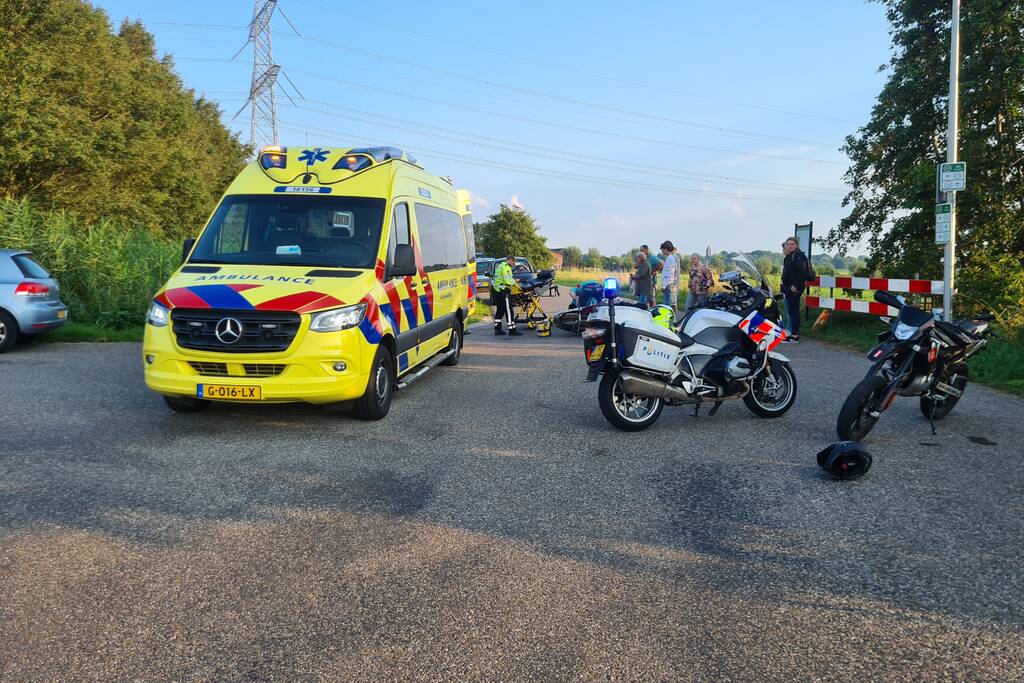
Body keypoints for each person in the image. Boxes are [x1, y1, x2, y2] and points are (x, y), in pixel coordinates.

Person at [781, 236, 811, 343]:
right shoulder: (791, 256)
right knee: (791, 310)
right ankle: (792, 334)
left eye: (792, 244)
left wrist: (795, 285)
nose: (789, 246)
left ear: (797, 245)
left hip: (794, 288)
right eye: (787, 244)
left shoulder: (798, 255)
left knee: (794, 311)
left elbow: (801, 272)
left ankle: (795, 335)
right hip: (788, 288)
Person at [491, 255, 522, 336]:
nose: (513, 264)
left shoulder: (499, 266)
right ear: (510, 260)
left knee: (500, 310)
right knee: (509, 310)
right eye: (513, 262)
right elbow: (507, 280)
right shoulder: (506, 267)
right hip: (503, 290)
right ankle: (512, 330)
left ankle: (497, 329)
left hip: (496, 290)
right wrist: (515, 281)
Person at [659, 241, 680, 316]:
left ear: (666, 249)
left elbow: (668, 274)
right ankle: (673, 318)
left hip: (668, 284)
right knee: (673, 303)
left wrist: (663, 286)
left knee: (667, 304)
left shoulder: (670, 258)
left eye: (662, 250)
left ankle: (667, 319)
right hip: (672, 283)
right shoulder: (674, 257)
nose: (662, 251)